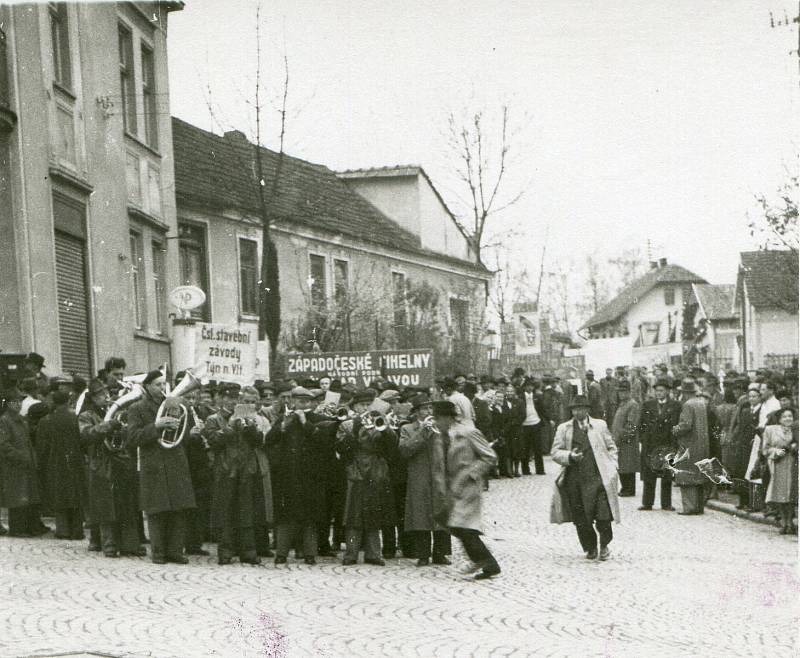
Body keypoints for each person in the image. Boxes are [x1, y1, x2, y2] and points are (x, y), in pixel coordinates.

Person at [127, 370, 196, 564]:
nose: (161, 388)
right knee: (157, 510)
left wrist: (188, 421)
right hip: (154, 463)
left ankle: (175, 551)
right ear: (147, 387)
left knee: (178, 508)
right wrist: (156, 426)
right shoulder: (136, 408)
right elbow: (132, 438)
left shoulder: (176, 404)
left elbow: (186, 434)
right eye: (157, 385)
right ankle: (158, 552)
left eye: (163, 384)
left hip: (176, 460)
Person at [432, 400, 500, 580]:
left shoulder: (468, 433)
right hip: (451, 487)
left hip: (468, 486)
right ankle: (487, 562)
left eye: (437, 419)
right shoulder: (441, 437)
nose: (435, 423)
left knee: (460, 524)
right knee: (456, 524)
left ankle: (482, 560)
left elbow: (489, 456)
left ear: (447, 418)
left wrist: (472, 473)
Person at [78, 378, 143, 557]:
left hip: (119, 462)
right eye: (101, 395)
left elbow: (127, 434)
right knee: (106, 507)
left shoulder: (114, 411)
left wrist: (121, 429)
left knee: (124, 505)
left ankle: (130, 544)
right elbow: (86, 435)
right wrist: (108, 425)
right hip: (100, 464)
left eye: (106, 393)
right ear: (93, 398)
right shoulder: (86, 415)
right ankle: (109, 545)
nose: (106, 397)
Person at [550, 395, 620, 560]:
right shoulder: (564, 428)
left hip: (598, 476)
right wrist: (569, 456)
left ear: (587, 409)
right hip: (575, 479)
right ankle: (590, 547)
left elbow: (611, 447)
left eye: (581, 408)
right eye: (574, 409)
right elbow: (555, 452)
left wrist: (612, 467)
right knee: (581, 518)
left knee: (603, 514)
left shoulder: (599, 425)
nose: (577, 412)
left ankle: (604, 545)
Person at [266, 386, 327, 565]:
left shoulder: (319, 419)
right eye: (300, 401)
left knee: (310, 518)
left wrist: (305, 423)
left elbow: (323, 442)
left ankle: (309, 554)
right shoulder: (284, 419)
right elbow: (269, 440)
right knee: (286, 517)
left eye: (307, 401)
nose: (304, 404)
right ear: (292, 402)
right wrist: (283, 426)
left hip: (310, 477)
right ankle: (282, 553)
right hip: (288, 475)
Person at [399, 394, 451, 567]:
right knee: (420, 515)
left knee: (441, 513)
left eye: (430, 408)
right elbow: (405, 451)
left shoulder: (441, 428)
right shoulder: (407, 429)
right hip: (419, 476)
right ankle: (423, 554)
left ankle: (440, 553)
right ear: (416, 412)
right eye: (424, 409)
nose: (428, 412)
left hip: (439, 475)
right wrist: (422, 432)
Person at [36, 388, 85, 539]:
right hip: (75, 461)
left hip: (55, 463)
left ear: (54, 402)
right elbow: (82, 440)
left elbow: (41, 447)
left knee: (59, 496)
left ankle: (63, 530)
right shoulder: (74, 418)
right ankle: (77, 531)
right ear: (68, 401)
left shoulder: (46, 420)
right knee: (76, 495)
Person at [0, 388, 42, 537]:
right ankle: (17, 529)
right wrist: (19, 456)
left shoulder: (21, 420)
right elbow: (3, 445)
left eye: (19, 402)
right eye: (14, 402)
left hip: (25, 465)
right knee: (16, 499)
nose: (18, 405)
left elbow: (28, 442)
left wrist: (31, 458)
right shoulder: (5, 421)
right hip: (14, 466)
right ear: (8, 404)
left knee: (26, 497)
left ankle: (26, 528)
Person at [637, 379, 680, 511]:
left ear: (667, 391)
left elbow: (677, 424)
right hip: (651, 444)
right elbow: (641, 424)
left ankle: (666, 504)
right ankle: (647, 503)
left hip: (668, 444)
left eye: (661, 390)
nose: (659, 393)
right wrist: (644, 440)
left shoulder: (675, 406)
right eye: (657, 391)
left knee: (667, 474)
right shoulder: (647, 405)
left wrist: (675, 444)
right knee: (650, 473)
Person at [671, 381, 711, 515]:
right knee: (698, 476)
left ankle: (689, 507)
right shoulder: (701, 403)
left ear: (685, 393)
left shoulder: (688, 405)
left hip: (689, 445)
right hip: (702, 445)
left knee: (686, 476)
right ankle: (699, 507)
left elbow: (686, 425)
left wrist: (675, 429)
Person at [761, 409, 798, 534]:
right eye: (785, 416)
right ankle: (784, 521)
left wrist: (795, 447)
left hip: (793, 464)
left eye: (790, 416)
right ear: (779, 419)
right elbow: (765, 449)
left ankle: (790, 522)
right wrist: (776, 452)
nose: (788, 419)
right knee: (780, 494)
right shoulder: (770, 430)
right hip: (778, 465)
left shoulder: (796, 429)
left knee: (791, 495)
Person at [612, 380, 640, 497]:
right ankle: (625, 487)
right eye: (620, 392)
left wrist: (621, 437)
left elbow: (631, 424)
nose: (621, 394)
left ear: (629, 392)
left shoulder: (632, 404)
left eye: (624, 392)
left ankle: (629, 489)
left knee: (628, 464)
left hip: (627, 440)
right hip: (620, 439)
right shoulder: (623, 404)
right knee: (622, 464)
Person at [519, 377, 546, 475]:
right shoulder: (520, 397)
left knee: (538, 448)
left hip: (536, 423)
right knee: (525, 448)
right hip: (524, 424)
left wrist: (549, 419)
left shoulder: (537, 397)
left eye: (531, 386)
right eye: (527, 386)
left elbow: (543, 409)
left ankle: (540, 470)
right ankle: (525, 470)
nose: (530, 388)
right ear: (524, 387)